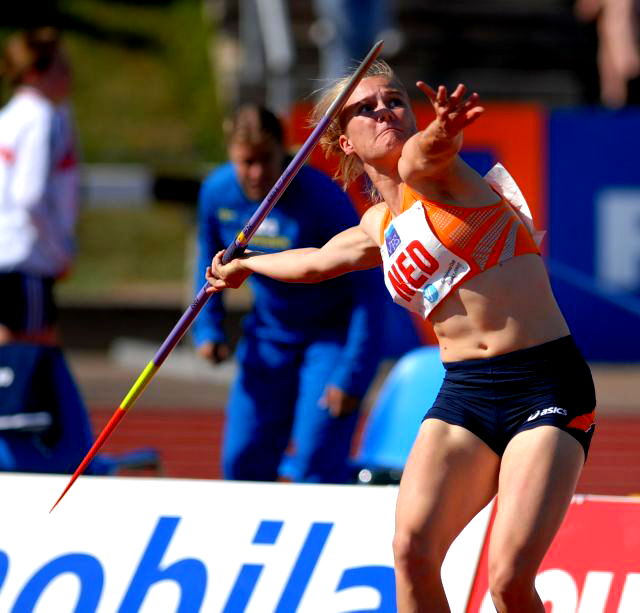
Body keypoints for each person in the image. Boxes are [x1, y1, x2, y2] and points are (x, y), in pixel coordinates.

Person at [205, 62, 597, 612]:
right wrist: (248, 265)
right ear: (343, 140)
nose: (384, 110)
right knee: (411, 551)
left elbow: (429, 149)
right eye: (366, 108)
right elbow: (318, 261)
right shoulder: (377, 224)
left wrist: (442, 128)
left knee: (508, 580)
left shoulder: (431, 171)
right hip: (465, 392)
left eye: (393, 100)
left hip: (544, 384)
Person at [193, 103, 383, 484]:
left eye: (267, 160)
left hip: (328, 338)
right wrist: (208, 330)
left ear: (284, 149)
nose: (258, 173)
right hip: (269, 335)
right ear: (231, 153)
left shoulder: (321, 197)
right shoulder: (217, 193)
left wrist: (353, 373)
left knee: (316, 459)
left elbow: (369, 290)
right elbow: (208, 261)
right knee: (242, 460)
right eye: (246, 162)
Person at [0, 27, 79, 346]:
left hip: (10, 253)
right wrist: (58, 252)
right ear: (35, 73)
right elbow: (29, 196)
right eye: (60, 67)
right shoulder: (41, 116)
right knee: (30, 354)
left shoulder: (8, 115)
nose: (69, 74)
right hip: (27, 257)